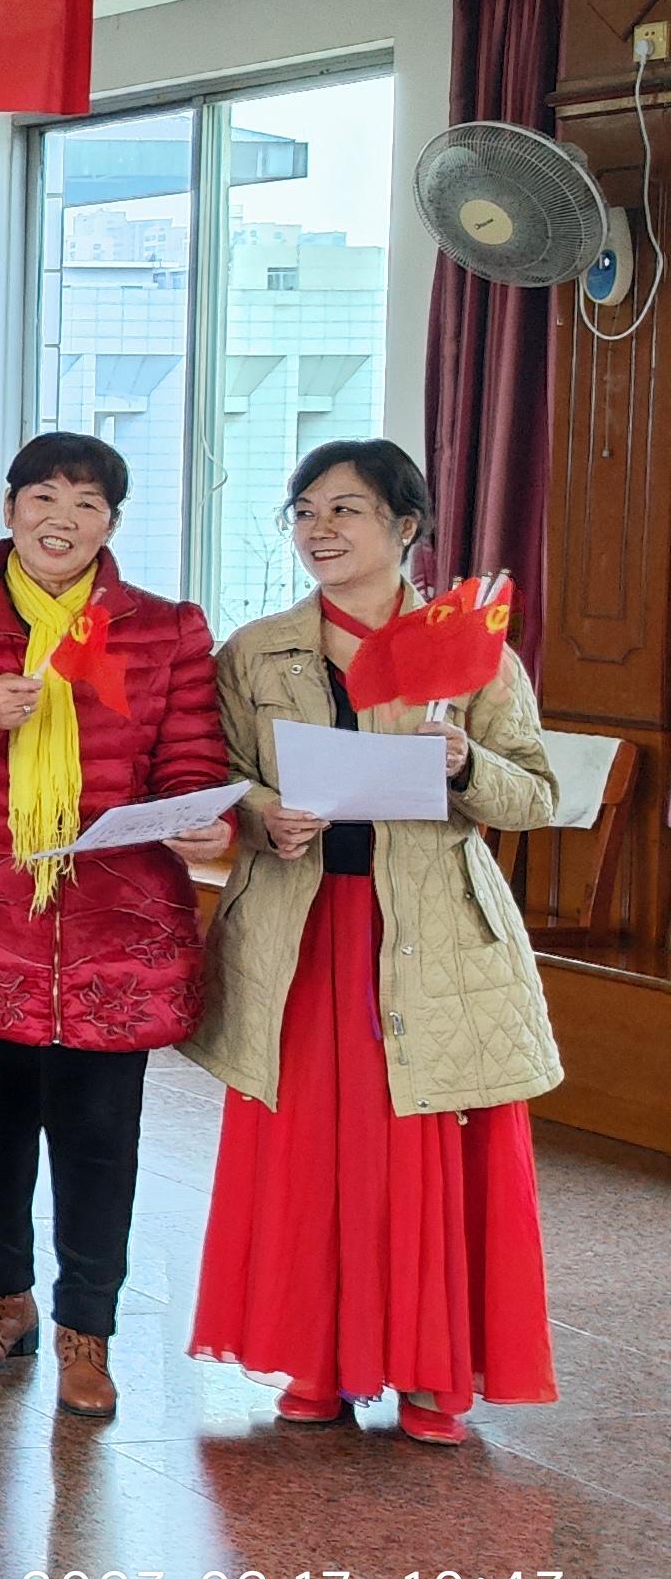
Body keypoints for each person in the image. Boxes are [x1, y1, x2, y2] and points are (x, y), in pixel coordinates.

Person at [188, 439, 562, 1444]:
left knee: (418, 1145)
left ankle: (431, 1375)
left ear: (405, 527)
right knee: (306, 1149)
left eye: (344, 510)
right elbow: (217, 777)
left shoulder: (468, 651)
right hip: (304, 931)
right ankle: (314, 1362)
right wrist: (262, 812)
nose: (320, 530)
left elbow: (535, 795)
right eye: (304, 511)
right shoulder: (255, 652)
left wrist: (465, 761)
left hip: (428, 933)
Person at [0, 432, 230, 1422]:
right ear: (9, 510)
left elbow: (190, 759)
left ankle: (88, 1330)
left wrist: (203, 816)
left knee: (99, 1140)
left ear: (111, 524)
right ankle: (1, 1302)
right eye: (44, 497)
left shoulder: (164, 630)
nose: (62, 520)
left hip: (115, 926)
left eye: (87, 504)